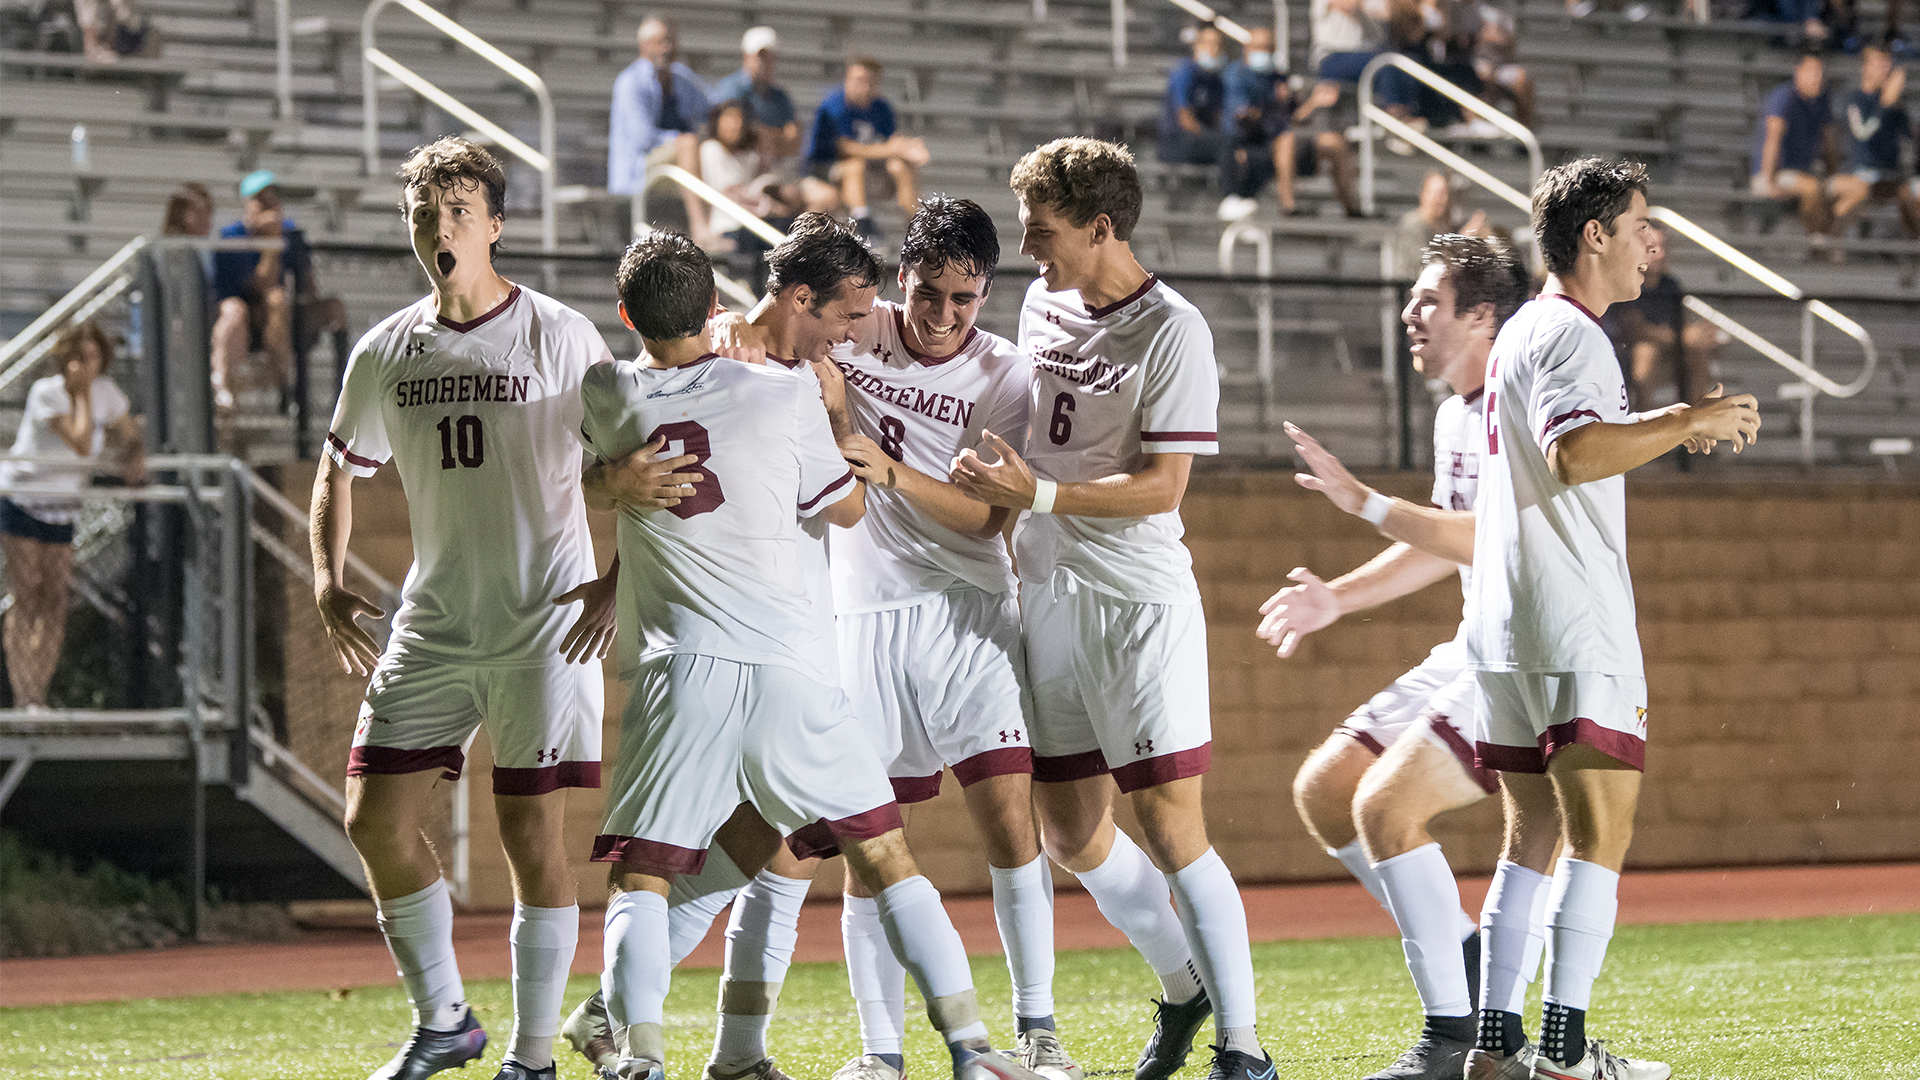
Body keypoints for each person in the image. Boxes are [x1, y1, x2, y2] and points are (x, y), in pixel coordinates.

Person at [579, 229, 1047, 1080]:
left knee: (687, 864)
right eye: (848, 316)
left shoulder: (610, 387)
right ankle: (963, 1050)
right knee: (858, 855)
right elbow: (844, 509)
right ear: (787, 301)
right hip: (799, 652)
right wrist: (829, 418)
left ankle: (637, 1046)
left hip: (689, 665)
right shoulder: (776, 389)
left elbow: (610, 468)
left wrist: (605, 497)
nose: (857, 332)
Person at [950, 136, 1273, 1080]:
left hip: (1135, 600)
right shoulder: (1045, 298)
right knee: (1071, 831)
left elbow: (1164, 485)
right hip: (1049, 589)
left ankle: (1244, 1051)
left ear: (1102, 226)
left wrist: (1037, 496)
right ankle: (1184, 986)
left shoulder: (1174, 330)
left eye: (1042, 229)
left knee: (1174, 830)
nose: (1026, 246)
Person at [311, 136, 618, 1080]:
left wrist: (616, 579)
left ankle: (532, 1057)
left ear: (495, 224)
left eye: (457, 212)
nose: (438, 228)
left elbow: (638, 467)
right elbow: (338, 467)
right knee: (372, 817)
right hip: (434, 624)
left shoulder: (561, 336)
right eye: (424, 213)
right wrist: (325, 575)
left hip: (543, 624)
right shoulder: (385, 349)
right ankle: (445, 1020)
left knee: (530, 836)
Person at [1463, 157, 1760, 1080]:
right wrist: (1686, 420)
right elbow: (1578, 453)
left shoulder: (1520, 332)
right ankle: (1563, 1054)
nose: (1652, 241)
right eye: (1639, 222)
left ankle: (1494, 1046)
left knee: (1531, 840)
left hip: (1504, 623)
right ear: (1594, 235)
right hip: (1571, 619)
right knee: (1601, 839)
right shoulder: (1575, 335)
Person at [1260, 234, 1531, 1080]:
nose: (1410, 314)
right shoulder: (1455, 411)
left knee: (1384, 808)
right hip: (1469, 643)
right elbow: (1448, 543)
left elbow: (1492, 539)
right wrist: (1337, 596)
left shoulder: (1514, 405)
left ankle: (1452, 1038)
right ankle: (1477, 976)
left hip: (1524, 654)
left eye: (1428, 300)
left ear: (1482, 314)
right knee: (1325, 791)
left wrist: (1367, 502)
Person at [823, 197, 1075, 1080]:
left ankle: (1039, 1032)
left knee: (1011, 825)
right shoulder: (857, 329)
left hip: (967, 611)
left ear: (985, 295)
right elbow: (777, 320)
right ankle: (880, 1052)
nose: (941, 317)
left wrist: (895, 472)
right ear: (902, 280)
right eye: (928, 294)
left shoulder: (1006, 377)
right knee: (869, 845)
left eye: (963, 300)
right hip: (859, 616)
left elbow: (985, 521)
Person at [0, 321, 143, 708]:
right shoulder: (47, 393)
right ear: (65, 360)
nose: (85, 365)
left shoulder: (106, 393)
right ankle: (22, 692)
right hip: (24, 500)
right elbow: (80, 442)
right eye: (77, 357)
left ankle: (38, 692)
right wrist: (80, 396)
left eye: (92, 357)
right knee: (26, 593)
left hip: (63, 510)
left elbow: (129, 432)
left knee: (54, 598)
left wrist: (132, 454)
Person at [1218, 26, 1364, 219]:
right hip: (1254, 144)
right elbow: (1250, 118)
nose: (1264, 52)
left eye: (1268, 47)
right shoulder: (1236, 76)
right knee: (1286, 138)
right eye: (1259, 47)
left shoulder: (1278, 77)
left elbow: (1292, 118)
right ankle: (1288, 206)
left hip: (1284, 141)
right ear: (1247, 49)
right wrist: (1301, 108)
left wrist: (1314, 104)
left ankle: (1352, 209)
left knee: (1334, 142)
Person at [609, 17, 717, 247]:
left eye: (670, 41)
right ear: (644, 46)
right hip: (637, 169)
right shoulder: (630, 82)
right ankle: (702, 228)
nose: (667, 48)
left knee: (712, 150)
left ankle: (724, 226)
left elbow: (714, 105)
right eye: (660, 42)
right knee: (688, 144)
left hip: (671, 165)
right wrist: (680, 141)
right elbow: (643, 138)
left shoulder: (681, 77)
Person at [210, 170, 314, 409]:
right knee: (253, 305)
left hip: (281, 317)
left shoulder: (293, 235)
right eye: (261, 201)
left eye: (272, 200)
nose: (269, 207)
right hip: (244, 318)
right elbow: (256, 287)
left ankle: (285, 386)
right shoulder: (231, 238)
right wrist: (271, 245)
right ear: (247, 205)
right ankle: (224, 387)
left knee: (280, 300)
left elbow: (308, 285)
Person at [803, 58, 929, 243]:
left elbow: (892, 141)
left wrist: (909, 149)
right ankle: (861, 220)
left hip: (868, 173)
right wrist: (893, 149)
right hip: (825, 170)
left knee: (901, 166)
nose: (863, 87)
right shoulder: (835, 105)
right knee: (855, 165)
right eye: (858, 80)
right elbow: (846, 148)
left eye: (869, 81)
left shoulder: (881, 107)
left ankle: (915, 224)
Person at [1603, 226, 1720, 414]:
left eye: (1664, 248)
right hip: (1622, 359)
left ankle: (1694, 422)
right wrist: (1685, 337)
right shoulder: (1627, 282)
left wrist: (1701, 336)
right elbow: (1634, 330)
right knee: (1646, 352)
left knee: (1697, 352)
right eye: (1653, 249)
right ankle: (1640, 422)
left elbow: (1681, 324)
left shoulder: (1670, 285)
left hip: (1666, 356)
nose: (1661, 254)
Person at [699, 99, 799, 290]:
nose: (736, 125)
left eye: (740, 119)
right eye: (730, 118)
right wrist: (768, 205)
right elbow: (734, 196)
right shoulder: (711, 149)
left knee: (790, 225)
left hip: (754, 222)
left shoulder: (747, 157)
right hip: (729, 226)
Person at [1828, 41, 1920, 242]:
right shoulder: (1853, 99)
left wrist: (1895, 105)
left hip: (1890, 178)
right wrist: (1886, 104)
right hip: (1857, 175)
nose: (1884, 69)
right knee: (1859, 191)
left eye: (1887, 63)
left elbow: (1911, 136)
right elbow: (1864, 133)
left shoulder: (1892, 102)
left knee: (1915, 193)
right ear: (1865, 67)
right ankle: (1829, 244)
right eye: (1878, 63)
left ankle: (1912, 254)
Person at [1750, 51, 1837, 248]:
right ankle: (1817, 243)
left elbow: (1830, 143)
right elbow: (1773, 140)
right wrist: (1768, 179)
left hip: (1804, 173)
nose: (1818, 77)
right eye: (1813, 71)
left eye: (1821, 72)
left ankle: (1825, 239)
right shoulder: (1783, 97)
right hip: (1777, 172)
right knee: (1814, 188)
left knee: (1848, 190)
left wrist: (1833, 174)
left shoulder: (1821, 101)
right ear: (1798, 72)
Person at [710, 27, 804, 167]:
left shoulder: (781, 97)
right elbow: (727, 132)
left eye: (769, 58)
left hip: (769, 160)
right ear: (746, 57)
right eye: (760, 57)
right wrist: (766, 136)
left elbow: (793, 138)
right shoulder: (729, 89)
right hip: (733, 160)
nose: (764, 63)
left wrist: (767, 137)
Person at [1158, 24, 1230, 171]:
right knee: (1227, 145)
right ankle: (1230, 192)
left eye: (1218, 45)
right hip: (1176, 141)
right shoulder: (1184, 73)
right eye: (1209, 44)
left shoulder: (1216, 81)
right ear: (1197, 46)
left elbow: (1218, 119)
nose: (1214, 50)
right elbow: (1185, 120)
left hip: (1202, 140)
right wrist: (1211, 137)